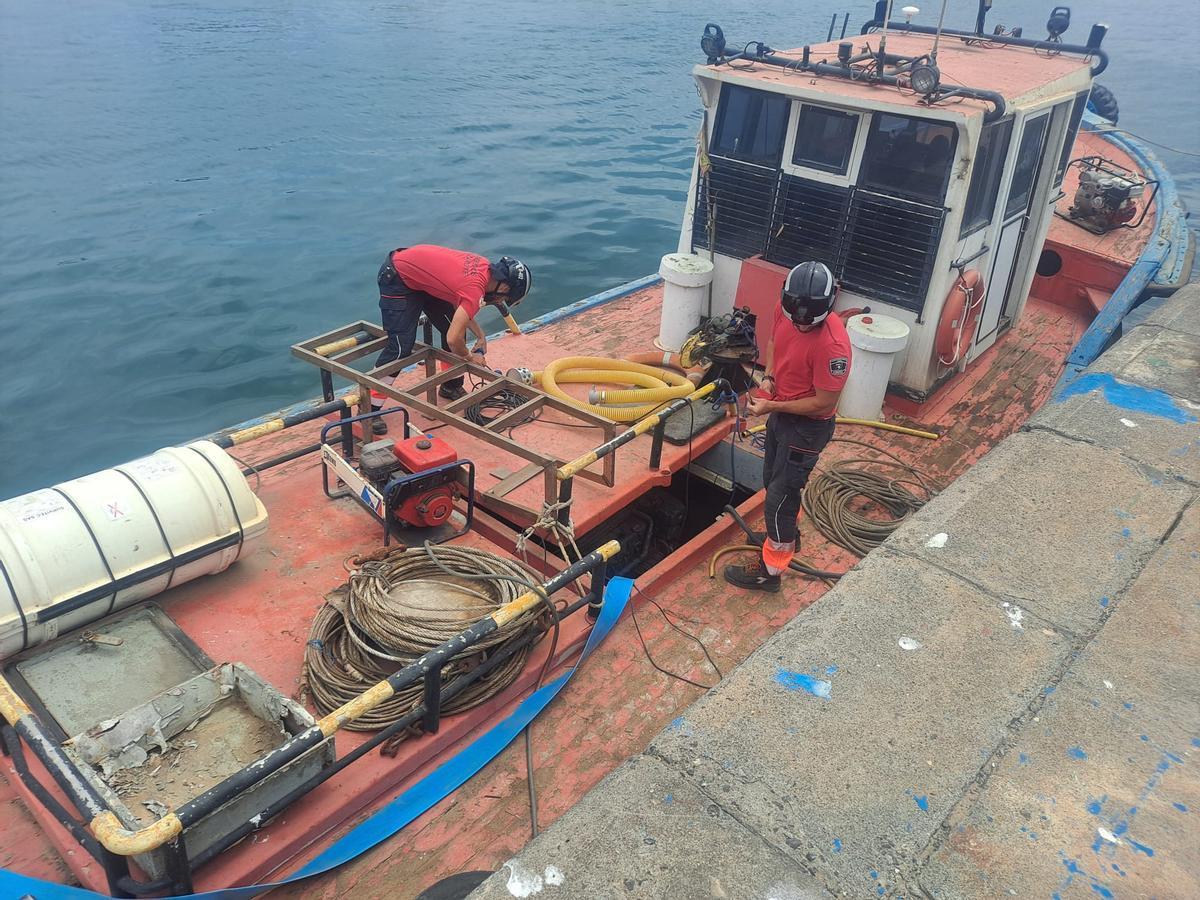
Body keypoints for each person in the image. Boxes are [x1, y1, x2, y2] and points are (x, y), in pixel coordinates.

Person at [725, 261, 851, 592]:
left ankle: (770, 573)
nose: (803, 323)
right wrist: (768, 381)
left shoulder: (834, 346)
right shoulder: (788, 312)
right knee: (772, 480)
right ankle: (787, 534)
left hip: (808, 427)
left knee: (780, 496)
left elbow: (824, 402)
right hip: (781, 412)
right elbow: (775, 345)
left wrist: (771, 405)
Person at [370, 245, 532, 434]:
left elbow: (462, 305)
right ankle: (370, 408)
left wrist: (480, 335)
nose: (498, 302)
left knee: (454, 326)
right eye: (503, 299)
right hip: (398, 277)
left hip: (422, 280)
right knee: (399, 347)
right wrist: (471, 358)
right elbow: (454, 339)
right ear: (503, 287)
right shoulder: (475, 288)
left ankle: (451, 387)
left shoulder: (484, 269)